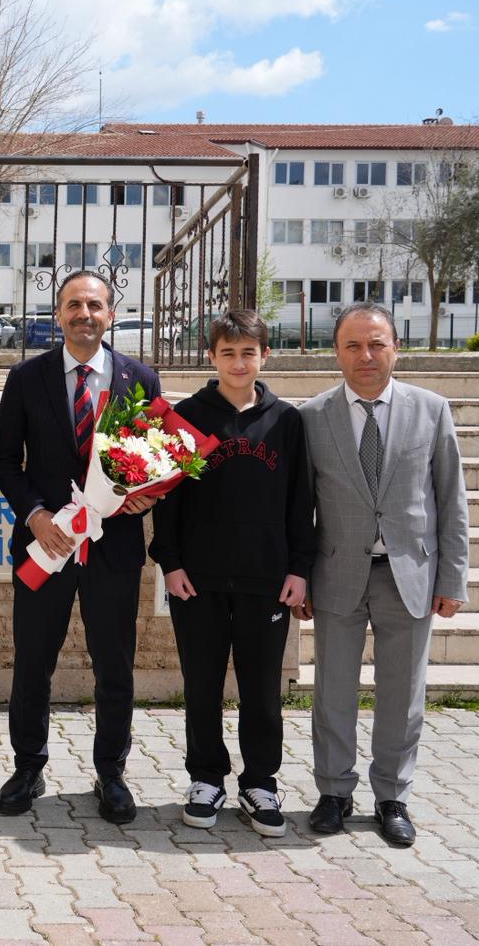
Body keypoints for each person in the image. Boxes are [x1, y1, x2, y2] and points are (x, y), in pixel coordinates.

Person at [295, 303, 468, 847]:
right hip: (337, 574)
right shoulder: (311, 416)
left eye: (376, 344)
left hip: (410, 575)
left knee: (403, 695)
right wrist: (299, 575)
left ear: (396, 348)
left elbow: (451, 499)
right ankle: (334, 792)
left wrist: (453, 578)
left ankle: (392, 797)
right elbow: (299, 508)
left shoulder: (432, 410)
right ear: (336, 353)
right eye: (352, 345)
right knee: (333, 692)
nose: (365, 356)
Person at [0, 270, 160, 822]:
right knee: (32, 661)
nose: (84, 314)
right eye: (73, 305)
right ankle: (27, 767)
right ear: (58, 314)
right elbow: (4, 461)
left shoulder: (141, 379)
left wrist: (143, 497)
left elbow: (154, 458)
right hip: (48, 544)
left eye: (94, 305)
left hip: (114, 548)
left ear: (110, 314)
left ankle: (111, 772)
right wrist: (36, 515)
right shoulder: (26, 377)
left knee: (115, 665)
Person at [148, 309, 313, 838]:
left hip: (267, 579)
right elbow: (167, 498)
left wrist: (300, 569)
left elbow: (301, 502)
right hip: (199, 579)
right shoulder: (187, 416)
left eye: (248, 353)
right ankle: (205, 779)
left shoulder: (287, 421)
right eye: (228, 353)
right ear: (211, 356)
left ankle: (260, 782)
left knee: (262, 688)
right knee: (201, 683)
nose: (238, 363)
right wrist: (170, 562)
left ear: (265, 356)